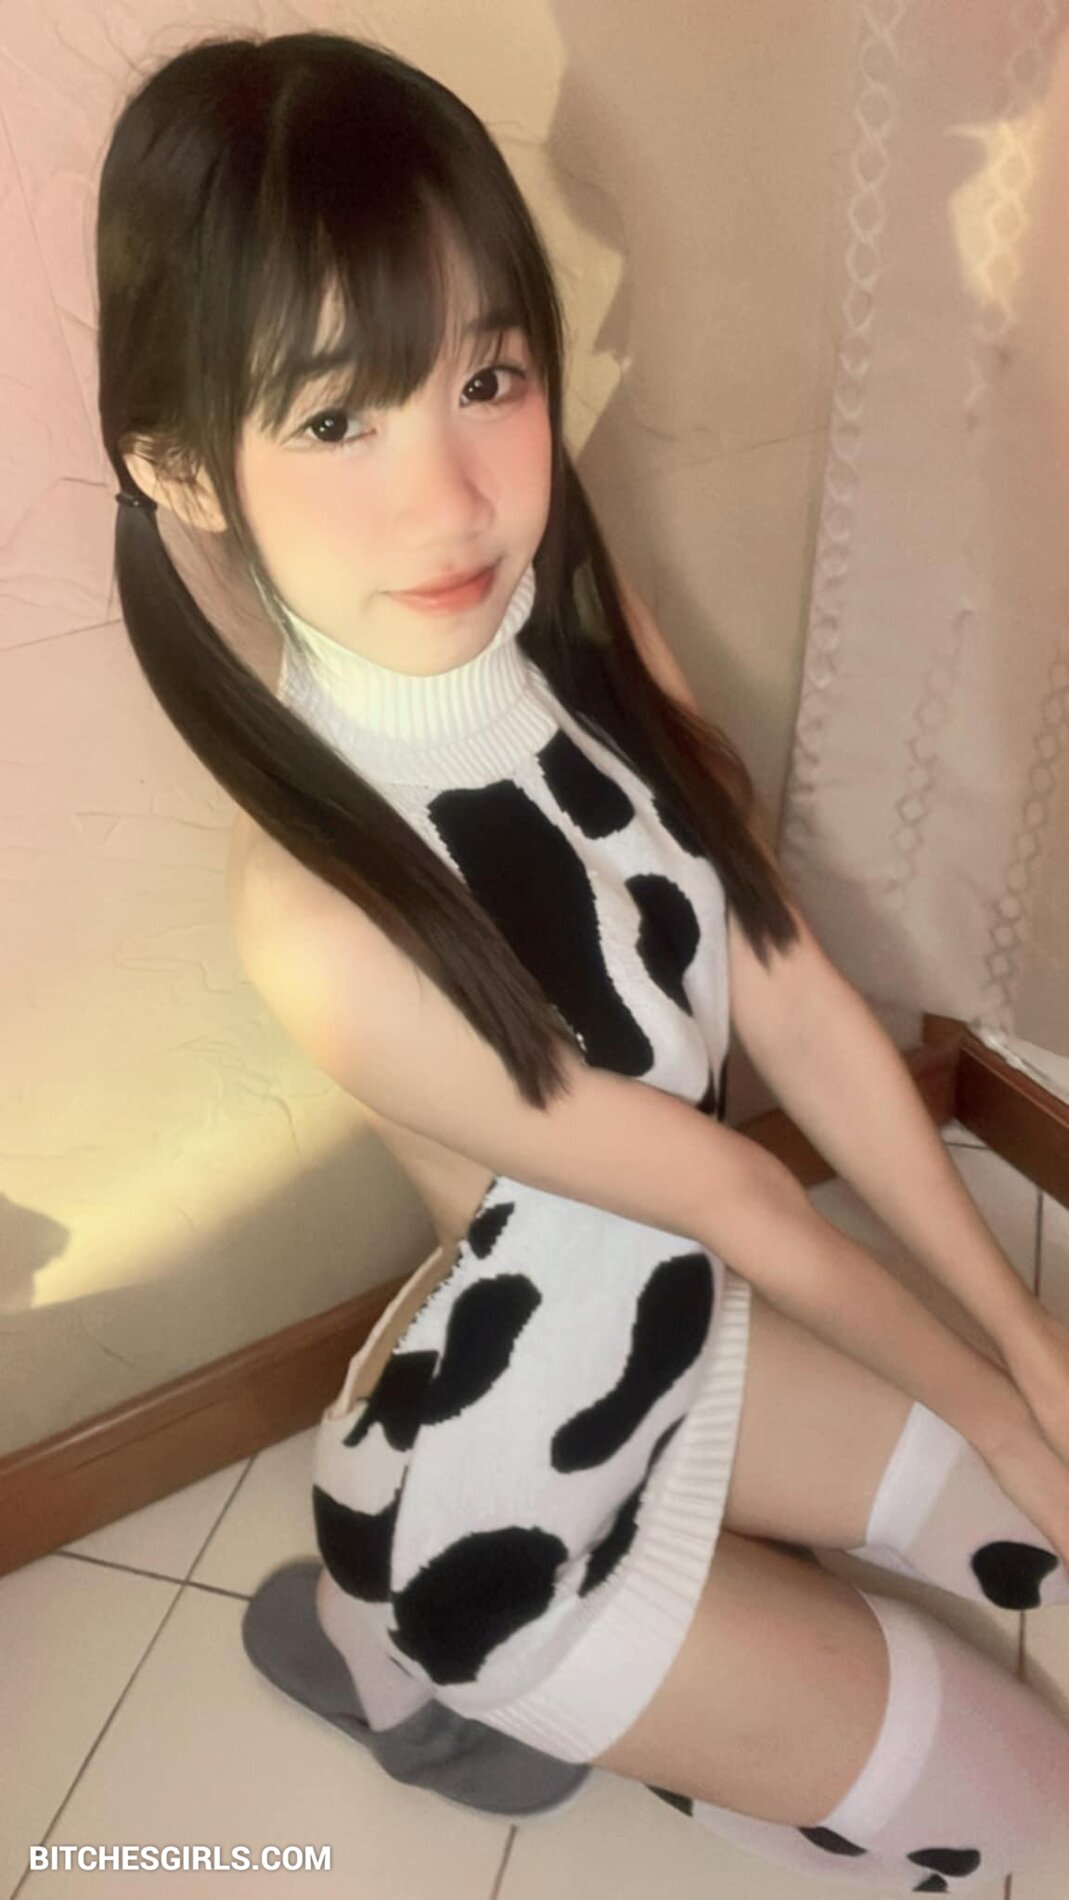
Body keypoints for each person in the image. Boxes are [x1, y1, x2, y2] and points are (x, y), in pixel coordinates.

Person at [96, 29, 1069, 1889]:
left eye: (486, 378)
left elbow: (776, 966)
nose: (454, 499)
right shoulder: (313, 912)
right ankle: (408, 1654)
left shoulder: (565, 603)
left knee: (1019, 1518)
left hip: (661, 1332)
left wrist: (1025, 1351)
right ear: (180, 466)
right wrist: (1001, 1395)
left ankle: (359, 1627)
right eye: (334, 419)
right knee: (1028, 1806)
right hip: (506, 1515)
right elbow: (742, 1197)